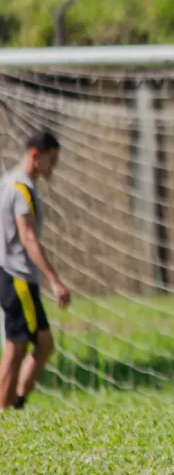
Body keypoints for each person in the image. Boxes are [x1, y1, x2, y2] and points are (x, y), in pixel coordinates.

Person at [0, 130, 70, 411]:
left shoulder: (9, 182)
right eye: (51, 160)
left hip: (14, 276)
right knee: (16, 349)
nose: (53, 167)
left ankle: (15, 403)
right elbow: (28, 237)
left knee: (43, 344)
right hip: (17, 277)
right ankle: (6, 409)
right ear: (35, 155)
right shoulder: (20, 188)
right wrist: (55, 281)